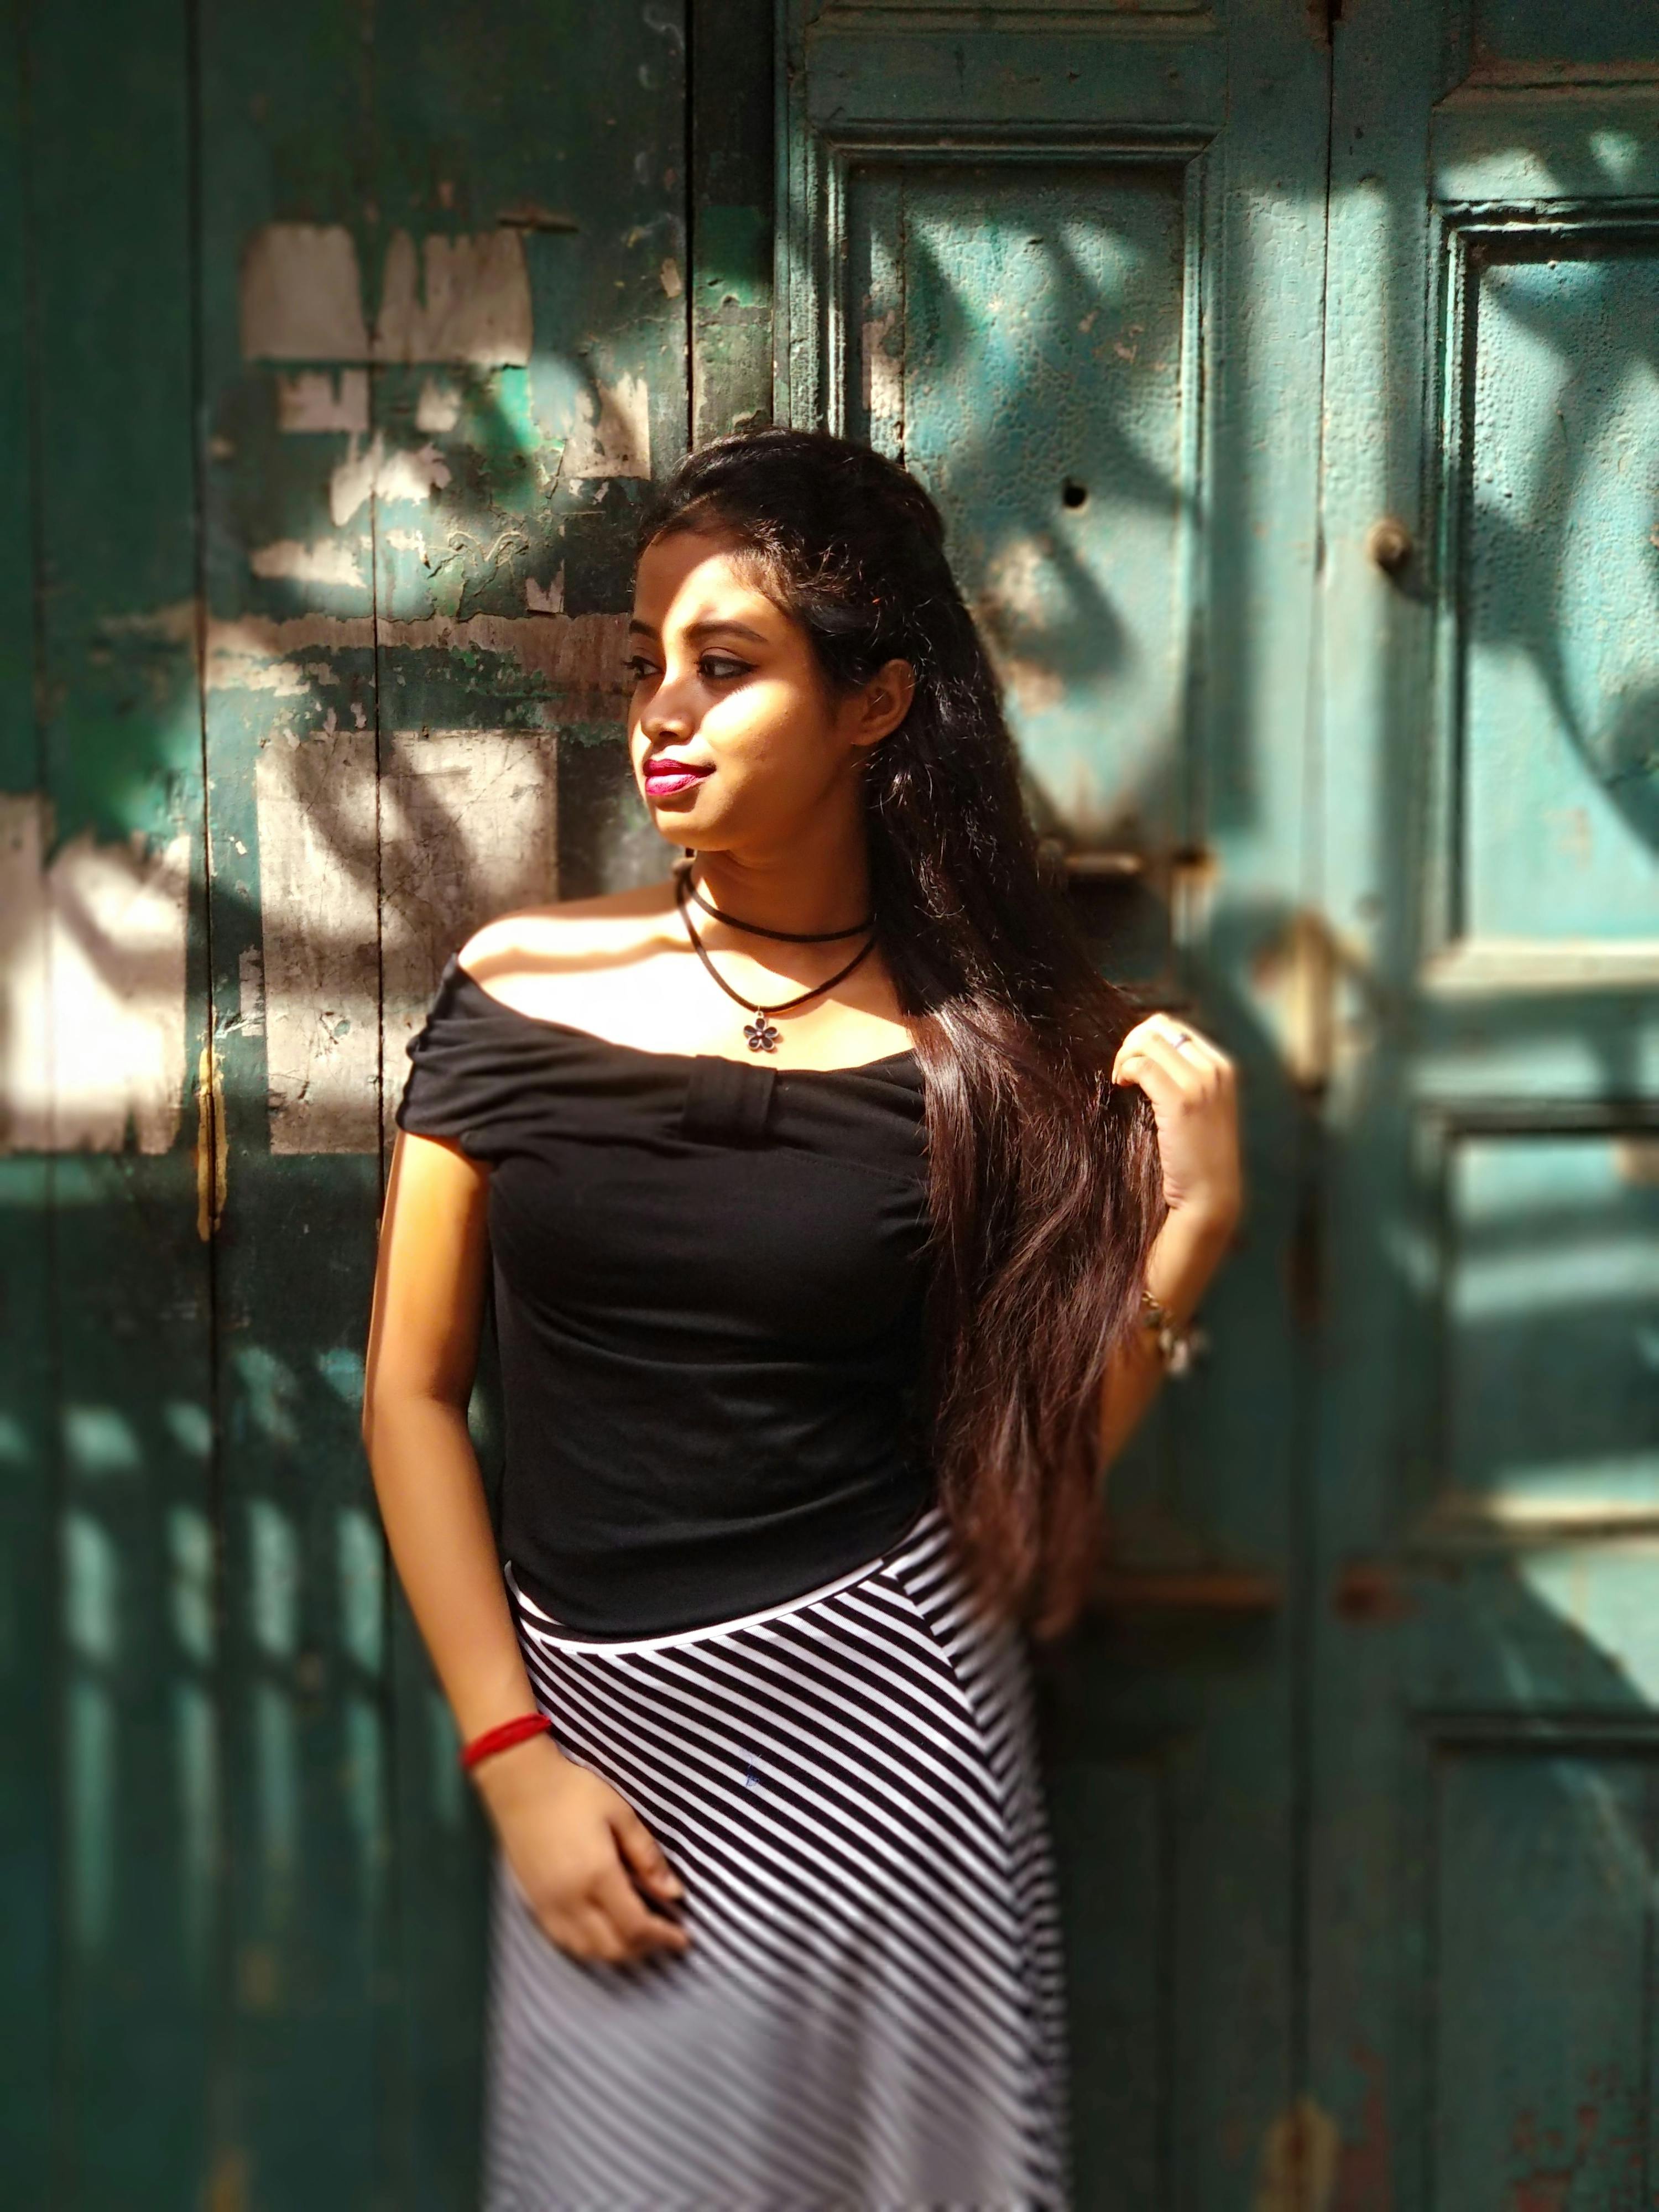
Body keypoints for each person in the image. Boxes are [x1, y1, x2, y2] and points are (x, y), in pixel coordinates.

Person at [363, 428, 1241, 2210]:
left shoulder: (979, 1059)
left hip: (895, 1729)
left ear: (876, 703)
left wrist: (1195, 1228)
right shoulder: (513, 989)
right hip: (603, 1752)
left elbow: (1027, 1482)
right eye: (645, 666)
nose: (661, 712)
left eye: (727, 665)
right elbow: (406, 1388)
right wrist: (512, 1756)